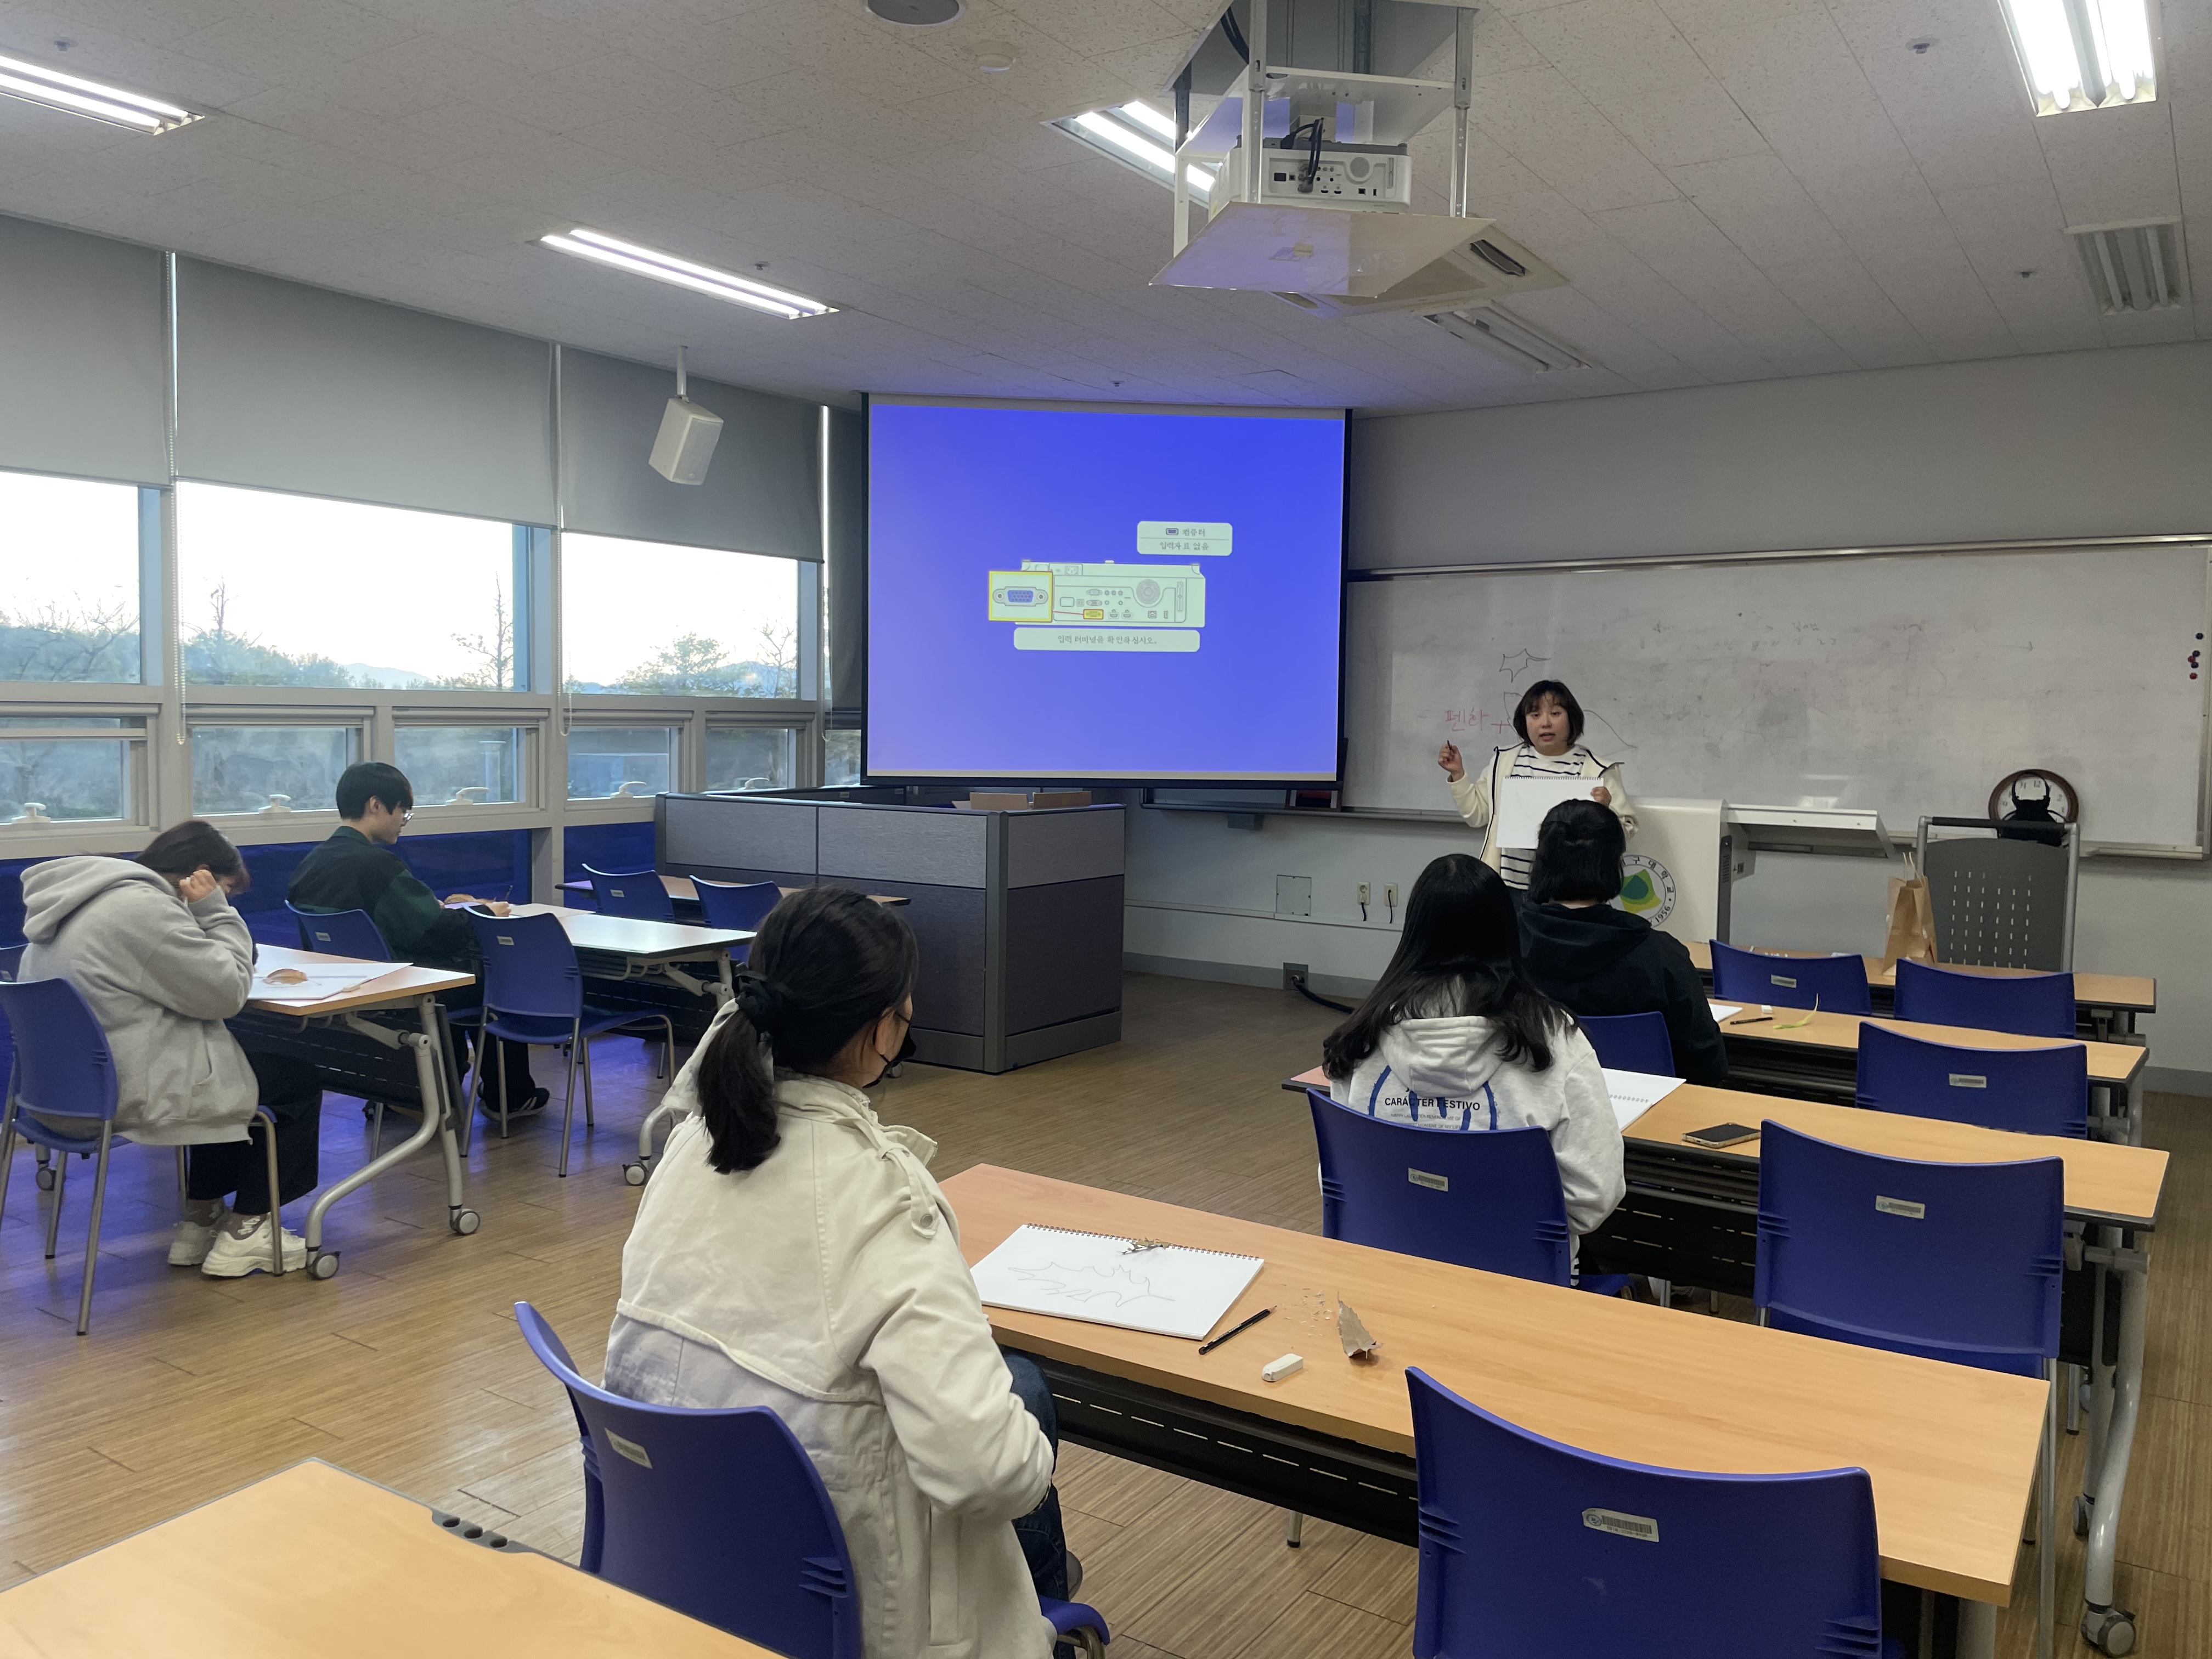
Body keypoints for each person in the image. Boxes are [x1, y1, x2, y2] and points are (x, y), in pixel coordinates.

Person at [605, 888, 1073, 1659]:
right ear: (882, 1029)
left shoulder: (691, 1142)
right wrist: (1034, 1461)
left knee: (1010, 1394)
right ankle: (1045, 1615)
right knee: (1024, 1410)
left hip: (692, 1566)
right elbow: (987, 1471)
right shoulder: (885, 1199)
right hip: (849, 1607)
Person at [18, 821, 324, 1276]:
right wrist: (217, 913)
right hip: (123, 1093)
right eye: (226, 889)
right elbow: (227, 992)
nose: (226, 900)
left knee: (225, 1059)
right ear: (200, 876)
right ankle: (249, 1230)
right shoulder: (144, 909)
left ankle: (202, 1219)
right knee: (294, 1080)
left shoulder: (81, 901)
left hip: (57, 1096)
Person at [1321, 853, 1625, 1240]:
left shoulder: (1360, 1037)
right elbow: (1594, 1198)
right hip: (1515, 1269)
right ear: (1507, 930)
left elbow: (1338, 1181)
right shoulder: (1555, 1037)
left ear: (1413, 933)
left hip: (1385, 1260)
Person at [287, 760, 544, 1120]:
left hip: (346, 987)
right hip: (399, 988)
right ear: (376, 805)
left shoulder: (311, 864)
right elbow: (437, 932)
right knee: (497, 980)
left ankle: (398, 1091)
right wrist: (486, 912)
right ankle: (509, 1098)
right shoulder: (378, 866)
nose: (404, 822)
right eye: (403, 811)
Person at [1521, 800, 1728, 1086]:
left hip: (1532, 1105)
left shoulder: (1502, 947)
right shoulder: (1661, 957)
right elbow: (1708, 1064)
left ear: (1541, 862)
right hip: (1646, 1108)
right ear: (1615, 865)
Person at [1437, 679, 1633, 893]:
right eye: (1535, 715)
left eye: (1555, 714)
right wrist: (1458, 774)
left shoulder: (1597, 769)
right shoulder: (1504, 762)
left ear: (1572, 718)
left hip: (1567, 891)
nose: (1545, 723)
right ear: (1524, 721)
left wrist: (1604, 812)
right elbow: (1477, 816)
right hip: (1506, 887)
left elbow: (1625, 831)